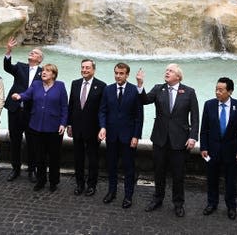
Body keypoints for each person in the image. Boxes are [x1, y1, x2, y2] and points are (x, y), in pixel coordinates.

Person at [137, 63, 199, 217]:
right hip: (160, 139)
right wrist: (140, 85)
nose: (167, 72)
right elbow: (144, 100)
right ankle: (157, 199)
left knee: (178, 175)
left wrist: (193, 137)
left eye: (170, 71)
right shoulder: (158, 88)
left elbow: (196, 118)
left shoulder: (189, 92)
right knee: (158, 172)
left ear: (178, 76)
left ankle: (178, 203)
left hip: (179, 141)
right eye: (166, 70)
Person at [11, 63, 68, 192]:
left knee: (54, 157)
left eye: (47, 71)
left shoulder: (60, 86)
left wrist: (63, 123)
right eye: (43, 70)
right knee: (39, 156)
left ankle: (53, 181)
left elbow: (64, 107)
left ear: (53, 74)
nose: (44, 72)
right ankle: (41, 181)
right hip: (36, 126)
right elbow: (27, 95)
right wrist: (19, 96)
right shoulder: (36, 84)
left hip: (54, 128)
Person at [200, 77, 237, 220]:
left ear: (230, 91)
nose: (217, 92)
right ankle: (211, 203)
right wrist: (203, 147)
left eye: (221, 90)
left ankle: (231, 207)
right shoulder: (209, 105)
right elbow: (204, 129)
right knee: (212, 179)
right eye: (216, 89)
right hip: (212, 150)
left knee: (231, 181)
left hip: (231, 151)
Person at [98, 63, 143, 209]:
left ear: (127, 74)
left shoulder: (134, 91)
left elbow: (138, 117)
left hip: (128, 137)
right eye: (116, 73)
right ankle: (112, 192)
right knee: (111, 166)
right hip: (111, 136)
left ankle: (128, 196)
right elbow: (102, 111)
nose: (118, 76)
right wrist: (103, 127)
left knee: (129, 168)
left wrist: (136, 136)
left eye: (121, 73)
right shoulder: (108, 89)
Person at [3, 37, 42, 182]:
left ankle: (32, 170)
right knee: (15, 140)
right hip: (15, 110)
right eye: (31, 51)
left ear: (40, 60)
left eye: (36, 53)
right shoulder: (20, 66)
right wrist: (8, 50)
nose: (32, 52)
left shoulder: (44, 73)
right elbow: (7, 67)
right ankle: (15, 169)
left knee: (32, 142)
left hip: (32, 112)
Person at [67, 59, 106, 196]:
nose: (84, 70)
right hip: (77, 128)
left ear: (93, 70)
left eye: (87, 68)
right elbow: (71, 105)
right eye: (83, 67)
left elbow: (103, 109)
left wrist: (102, 127)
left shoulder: (101, 86)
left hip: (93, 129)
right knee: (78, 158)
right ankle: (79, 184)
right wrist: (69, 124)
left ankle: (91, 185)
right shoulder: (75, 83)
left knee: (93, 159)